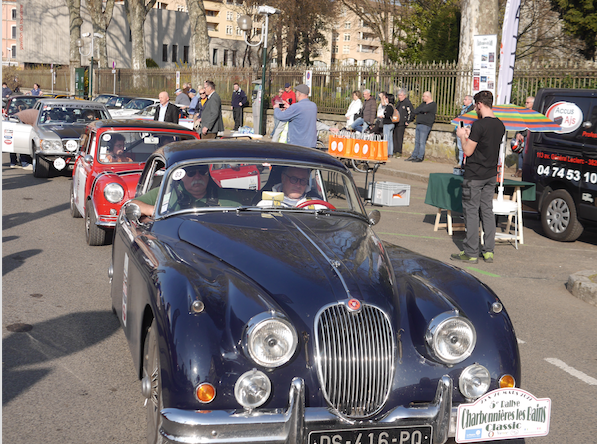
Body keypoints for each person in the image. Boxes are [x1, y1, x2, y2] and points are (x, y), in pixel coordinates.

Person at [451, 90, 505, 264]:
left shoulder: (479, 125)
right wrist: (470, 134)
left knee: (472, 212)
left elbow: (468, 151)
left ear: (480, 104)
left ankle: (471, 252)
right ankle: (489, 251)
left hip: (475, 175)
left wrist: (462, 137)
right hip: (490, 174)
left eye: (476, 106)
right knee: (487, 211)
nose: (475, 109)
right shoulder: (500, 125)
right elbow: (485, 144)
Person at [132, 164, 238, 216]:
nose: (197, 177)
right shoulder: (167, 192)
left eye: (202, 172)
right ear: (182, 176)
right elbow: (133, 205)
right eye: (191, 173)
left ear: (207, 174)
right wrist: (155, 210)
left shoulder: (227, 197)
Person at [273, 83, 317, 148]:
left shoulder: (296, 107)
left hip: (297, 145)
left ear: (298, 93)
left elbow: (281, 116)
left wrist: (276, 108)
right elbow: (301, 115)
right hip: (311, 145)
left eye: (296, 92)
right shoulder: (313, 106)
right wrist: (290, 108)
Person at [407, 91, 436, 162]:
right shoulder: (423, 104)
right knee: (417, 141)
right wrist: (421, 111)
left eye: (423, 96)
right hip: (419, 124)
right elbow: (416, 110)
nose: (422, 98)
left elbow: (424, 109)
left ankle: (420, 156)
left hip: (425, 125)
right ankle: (414, 155)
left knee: (422, 142)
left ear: (428, 97)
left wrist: (421, 110)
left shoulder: (433, 104)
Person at [512, 96, 534, 177]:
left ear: (532, 104)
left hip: (528, 137)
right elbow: (519, 124)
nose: (526, 104)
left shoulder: (534, 114)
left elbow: (530, 127)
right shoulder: (523, 113)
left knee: (525, 154)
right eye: (526, 102)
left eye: (528, 103)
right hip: (521, 135)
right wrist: (517, 133)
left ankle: (525, 171)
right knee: (520, 154)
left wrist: (523, 135)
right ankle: (519, 170)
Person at [393, 89, 414, 157]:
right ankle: (394, 151)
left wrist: (408, 121)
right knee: (395, 137)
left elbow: (411, 112)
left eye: (401, 95)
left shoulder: (407, 102)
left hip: (402, 123)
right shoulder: (398, 102)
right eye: (399, 95)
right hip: (396, 122)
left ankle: (399, 152)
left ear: (404, 95)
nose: (399, 97)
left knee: (399, 138)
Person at [455, 95, 474, 166]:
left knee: (464, 146)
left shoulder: (472, 109)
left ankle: (463, 163)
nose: (464, 101)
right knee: (459, 146)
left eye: (465, 99)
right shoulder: (463, 108)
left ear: (470, 101)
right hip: (460, 128)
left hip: (466, 130)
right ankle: (460, 162)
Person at [380, 92, 396, 157]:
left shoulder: (389, 106)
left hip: (387, 123)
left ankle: (386, 152)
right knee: (390, 139)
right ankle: (390, 152)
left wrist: (383, 116)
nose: (385, 99)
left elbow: (387, 115)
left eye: (386, 98)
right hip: (392, 124)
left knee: (386, 138)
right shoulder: (393, 106)